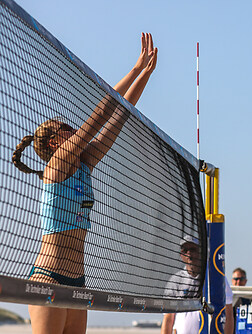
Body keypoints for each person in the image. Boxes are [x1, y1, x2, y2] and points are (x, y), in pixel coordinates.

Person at [12, 33, 158, 334]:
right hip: (48, 278)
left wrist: (146, 74)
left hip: (77, 281)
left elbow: (120, 115)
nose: (73, 127)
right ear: (54, 143)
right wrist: (133, 68)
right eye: (66, 128)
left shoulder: (84, 164)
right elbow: (101, 112)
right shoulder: (57, 165)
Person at [161, 236, 234, 334]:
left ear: (201, 252)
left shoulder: (216, 278)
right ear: (181, 255)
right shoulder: (175, 281)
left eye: (193, 249)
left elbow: (228, 314)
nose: (189, 253)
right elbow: (168, 319)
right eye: (185, 250)